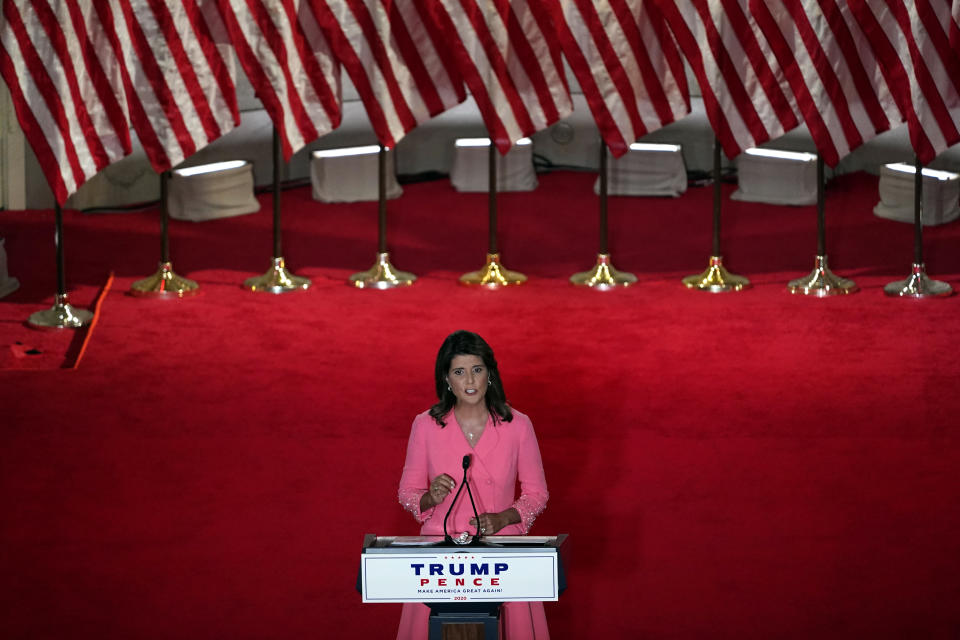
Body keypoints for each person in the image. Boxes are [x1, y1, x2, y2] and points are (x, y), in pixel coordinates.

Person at [397, 330, 550, 640]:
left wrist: (503, 518)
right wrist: (429, 497)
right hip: (440, 560)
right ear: (447, 380)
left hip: (501, 555)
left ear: (489, 374)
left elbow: (537, 493)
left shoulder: (518, 425)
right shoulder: (425, 425)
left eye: (477, 370)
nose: (470, 380)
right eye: (459, 371)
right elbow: (407, 493)